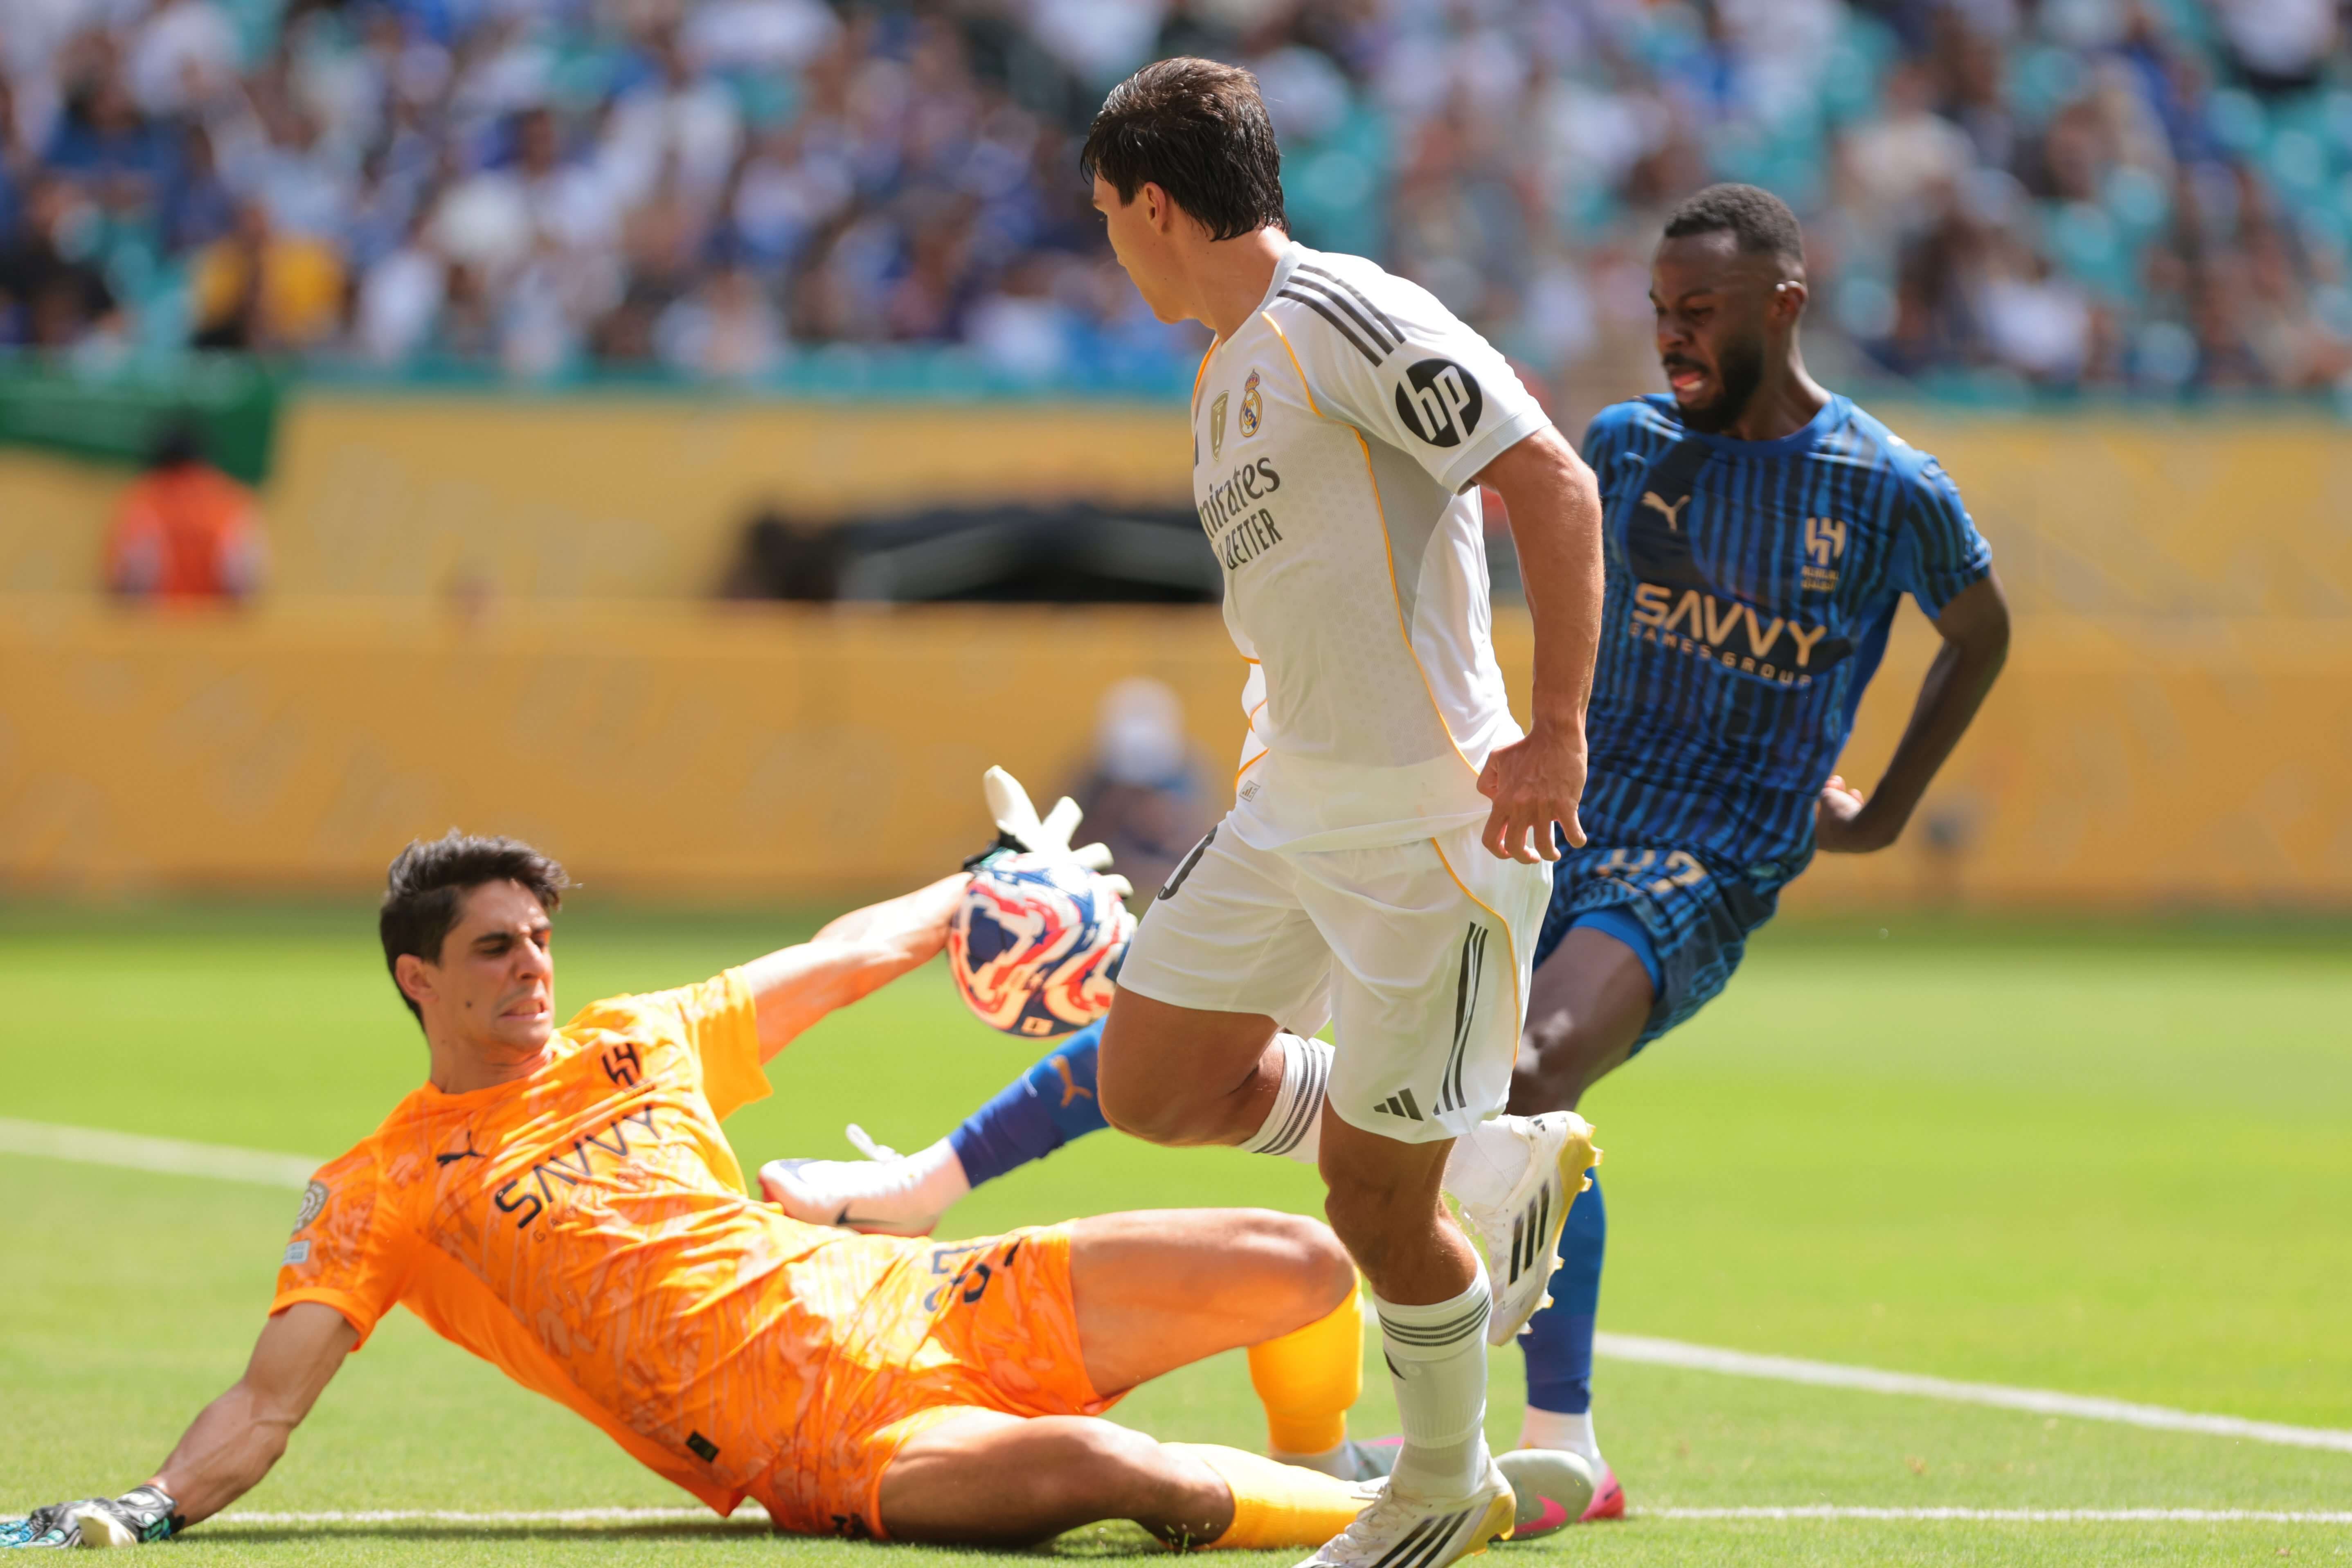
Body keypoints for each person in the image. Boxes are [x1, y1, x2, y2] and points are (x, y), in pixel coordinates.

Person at [765, 182, 2011, 1531]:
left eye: (1697, 310)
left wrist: (1882, 808)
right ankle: (936, 1178)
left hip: (1702, 853)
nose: (1670, 335)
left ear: (1784, 301)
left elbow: (1978, 628)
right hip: (1540, 805)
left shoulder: (1885, 485)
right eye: (1656, 310)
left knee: (1515, 1075)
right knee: (1211, 1018)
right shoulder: (1632, 443)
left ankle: (1555, 1438)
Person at [0, 832, 1562, 1552]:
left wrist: (976, 888)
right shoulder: (384, 1187)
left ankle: (1347, 1462)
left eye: (541, 941)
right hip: (831, 1436)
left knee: (1291, 1256)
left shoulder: (636, 1041)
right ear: (418, 978)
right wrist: (146, 1505)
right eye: (494, 949)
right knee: (1114, 1466)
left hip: (925, 1293)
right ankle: (1423, 1520)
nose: (532, 971)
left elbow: (833, 961)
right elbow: (267, 1399)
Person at [1047, 56, 1612, 1568]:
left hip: (1435, 828)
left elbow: (1551, 486)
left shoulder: (1341, 318)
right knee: (1147, 1083)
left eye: (1108, 215)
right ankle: (1471, 1162)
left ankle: (1439, 1480)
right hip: (1287, 806)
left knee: (1371, 1205)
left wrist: (1552, 732)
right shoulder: (1222, 369)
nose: (1108, 243)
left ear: (1155, 208)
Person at [102, 422, 266, 601]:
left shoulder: (145, 499)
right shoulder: (229, 501)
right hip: (216, 625)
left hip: (158, 625)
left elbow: (129, 578)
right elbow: (245, 582)